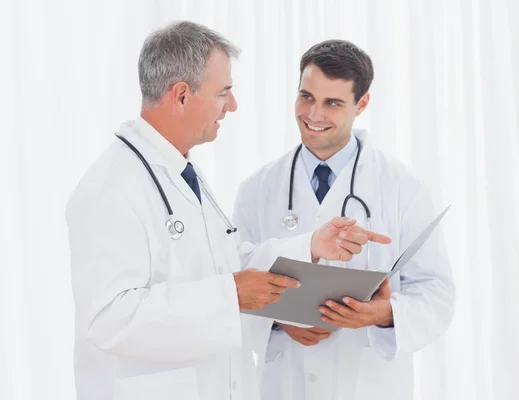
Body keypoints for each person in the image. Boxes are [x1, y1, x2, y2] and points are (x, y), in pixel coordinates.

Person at [65, 23, 391, 400]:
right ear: (182, 95)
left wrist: (312, 245)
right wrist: (230, 295)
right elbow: (108, 320)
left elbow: (225, 264)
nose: (232, 105)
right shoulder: (112, 187)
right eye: (224, 92)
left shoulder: (182, 173)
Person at [232, 39, 456, 399]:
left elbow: (437, 292)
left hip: (369, 385)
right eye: (306, 97)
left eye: (332, 103)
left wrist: (384, 314)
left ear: (362, 103)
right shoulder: (257, 188)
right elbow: (232, 278)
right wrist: (276, 322)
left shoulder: (403, 187)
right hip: (284, 384)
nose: (314, 114)